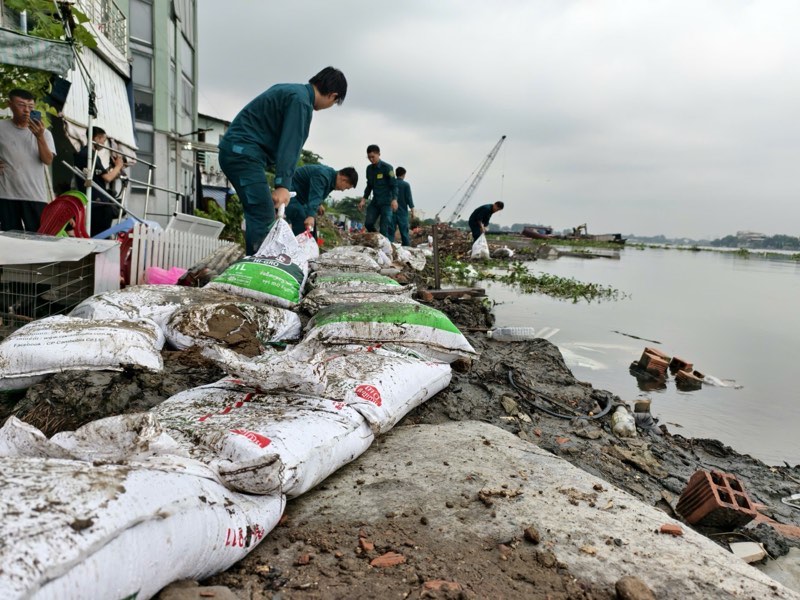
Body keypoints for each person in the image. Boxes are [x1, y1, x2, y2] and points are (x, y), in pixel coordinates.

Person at [218, 67, 347, 254]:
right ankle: (258, 270)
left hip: (240, 151)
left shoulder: (294, 92)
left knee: (261, 211)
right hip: (243, 154)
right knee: (262, 214)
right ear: (333, 96)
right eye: (335, 102)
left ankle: (255, 260)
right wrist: (283, 185)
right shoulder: (301, 102)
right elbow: (290, 145)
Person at [0, 88, 56, 232]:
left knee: (38, 240)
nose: (26, 110)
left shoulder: (45, 134)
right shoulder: (1, 127)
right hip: (6, 195)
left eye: (30, 107)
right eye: (21, 105)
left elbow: (47, 160)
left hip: (35, 196)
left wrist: (39, 137)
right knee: (9, 240)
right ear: (9, 104)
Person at [74, 127, 125, 236]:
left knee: (94, 235)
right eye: (103, 140)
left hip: (90, 201)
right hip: (98, 203)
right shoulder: (91, 155)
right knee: (102, 236)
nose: (104, 143)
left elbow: (99, 176)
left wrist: (114, 171)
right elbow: (107, 178)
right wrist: (118, 166)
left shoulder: (82, 154)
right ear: (96, 138)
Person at [286, 164, 358, 235]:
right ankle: (292, 244)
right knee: (302, 221)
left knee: (311, 228)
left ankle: (309, 245)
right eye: (346, 188)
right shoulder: (323, 175)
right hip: (290, 194)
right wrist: (310, 215)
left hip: (301, 200)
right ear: (344, 180)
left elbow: (318, 193)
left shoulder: (332, 179)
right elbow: (315, 194)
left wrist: (319, 205)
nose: (343, 190)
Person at [357, 144, 397, 239]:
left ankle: (385, 249)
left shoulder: (388, 168)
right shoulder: (369, 169)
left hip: (387, 203)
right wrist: (363, 199)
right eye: (369, 157)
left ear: (379, 154)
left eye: (373, 157)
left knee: (384, 228)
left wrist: (394, 199)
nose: (371, 159)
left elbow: (394, 185)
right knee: (368, 223)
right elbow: (369, 185)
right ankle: (378, 239)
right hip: (375, 202)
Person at [387, 166, 414, 246]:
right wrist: (412, 210)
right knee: (404, 232)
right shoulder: (406, 185)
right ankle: (406, 249)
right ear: (403, 174)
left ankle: (389, 248)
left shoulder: (391, 183)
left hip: (391, 211)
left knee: (390, 232)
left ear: (396, 173)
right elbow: (409, 198)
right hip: (402, 212)